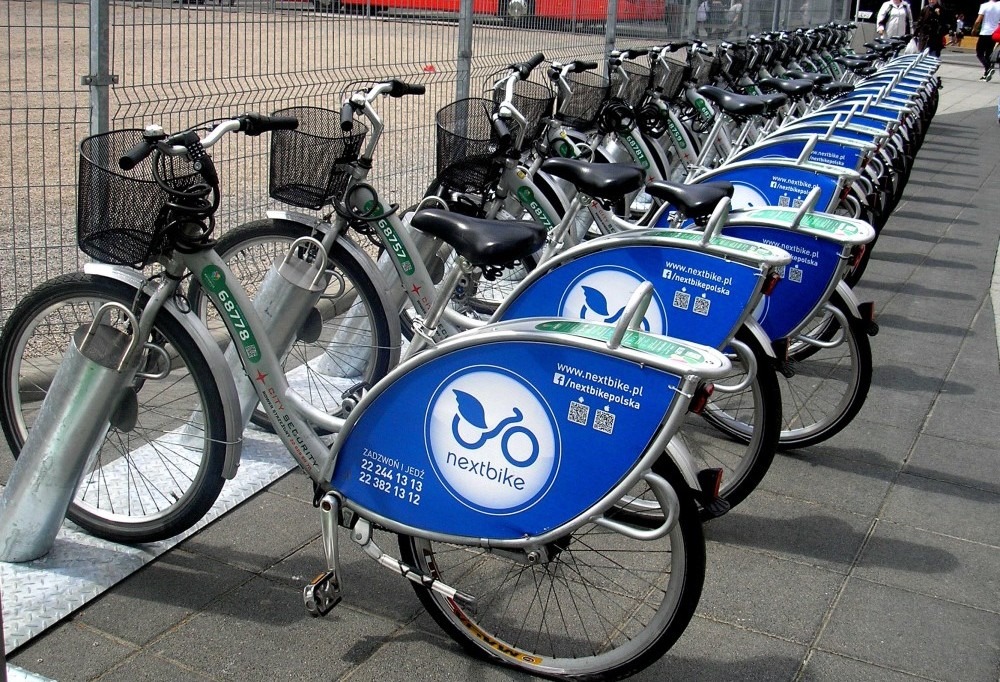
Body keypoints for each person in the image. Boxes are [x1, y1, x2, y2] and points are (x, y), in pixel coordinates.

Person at [972, 0, 1000, 80]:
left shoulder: (984, 5)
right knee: (988, 54)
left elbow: (978, 21)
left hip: (985, 32)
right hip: (995, 33)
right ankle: (986, 74)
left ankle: (988, 68)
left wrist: (974, 30)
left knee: (979, 52)